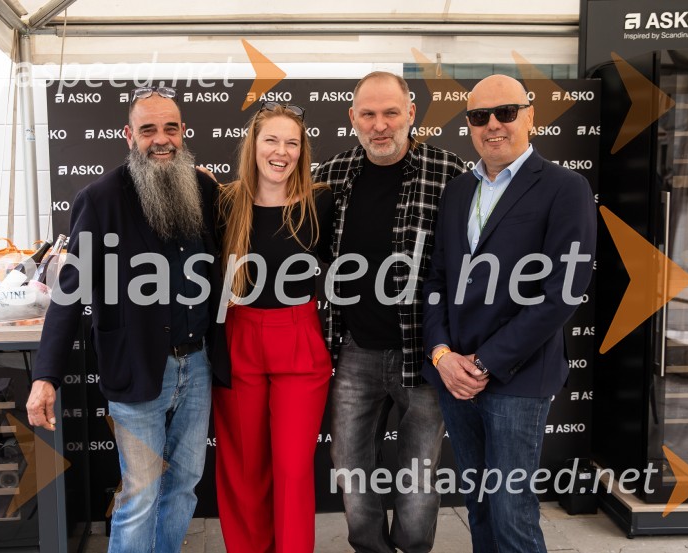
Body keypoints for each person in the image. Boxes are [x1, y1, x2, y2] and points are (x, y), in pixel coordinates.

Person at [26, 86, 228, 553]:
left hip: (197, 365)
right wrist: (46, 377)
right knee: (141, 490)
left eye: (170, 128)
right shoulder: (99, 199)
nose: (161, 139)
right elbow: (68, 293)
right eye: (148, 129)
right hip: (135, 366)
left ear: (183, 132)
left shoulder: (203, 189)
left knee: (185, 483)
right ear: (128, 136)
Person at [422, 74, 596, 553]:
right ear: (469, 125)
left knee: (511, 511)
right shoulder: (457, 191)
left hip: (517, 377)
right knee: (479, 505)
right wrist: (442, 355)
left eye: (506, 112)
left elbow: (562, 292)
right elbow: (436, 281)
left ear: (530, 116)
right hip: (456, 376)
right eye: (480, 116)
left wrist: (484, 363)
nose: (493, 124)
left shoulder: (565, 187)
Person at [312, 71, 466, 553]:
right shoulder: (333, 174)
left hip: (424, 352)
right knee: (351, 465)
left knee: (420, 471)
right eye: (369, 114)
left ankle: (412, 548)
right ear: (353, 118)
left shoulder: (450, 172)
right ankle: (371, 548)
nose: (380, 125)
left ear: (411, 114)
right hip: (354, 350)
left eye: (391, 113)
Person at [214, 101, 334, 553]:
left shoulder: (321, 201)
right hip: (238, 334)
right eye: (272, 140)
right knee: (244, 466)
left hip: (299, 337)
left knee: (292, 469)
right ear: (253, 145)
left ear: (302, 151)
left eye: (292, 142)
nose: (281, 151)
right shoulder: (225, 201)